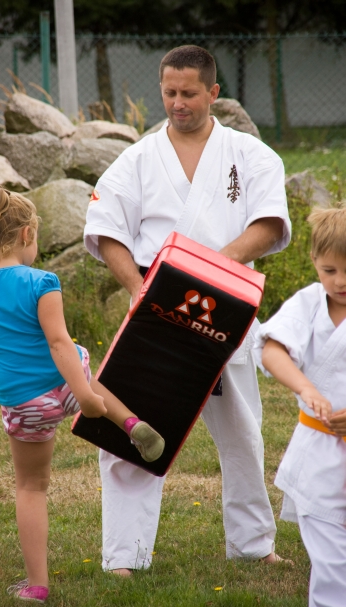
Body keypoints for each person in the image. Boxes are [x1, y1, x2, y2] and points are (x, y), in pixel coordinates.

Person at [84, 45, 292, 575]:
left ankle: (252, 543)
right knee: (133, 430)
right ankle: (124, 554)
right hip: (157, 314)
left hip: (227, 308)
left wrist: (213, 269)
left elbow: (270, 222)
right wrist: (140, 290)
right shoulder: (137, 160)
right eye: (170, 93)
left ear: (213, 92)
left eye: (189, 93)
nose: (178, 103)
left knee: (243, 433)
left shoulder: (250, 155)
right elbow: (107, 230)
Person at [0, 183, 165, 603]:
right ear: (27, 235)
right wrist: (82, 395)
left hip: (24, 406)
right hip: (67, 387)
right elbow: (59, 342)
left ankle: (37, 584)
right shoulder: (42, 281)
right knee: (81, 359)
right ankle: (127, 421)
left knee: (31, 487)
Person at [254, 206, 346, 607]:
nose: (340, 281)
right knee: (330, 555)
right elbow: (272, 350)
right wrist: (306, 387)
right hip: (319, 448)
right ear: (314, 261)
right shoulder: (308, 303)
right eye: (330, 270)